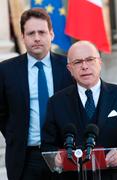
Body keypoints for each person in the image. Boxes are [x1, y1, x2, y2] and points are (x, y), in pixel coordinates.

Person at [41, 40, 117, 180]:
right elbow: (47, 145)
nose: (84, 66)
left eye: (90, 60)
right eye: (78, 62)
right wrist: (55, 157)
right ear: (70, 69)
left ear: (100, 62)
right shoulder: (56, 102)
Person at [0, 8, 73, 180]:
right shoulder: (6, 70)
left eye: (42, 32)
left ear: (52, 34)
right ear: (23, 37)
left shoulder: (68, 67)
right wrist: (14, 135)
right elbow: (2, 111)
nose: (37, 38)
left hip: (63, 156)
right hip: (25, 158)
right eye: (31, 33)